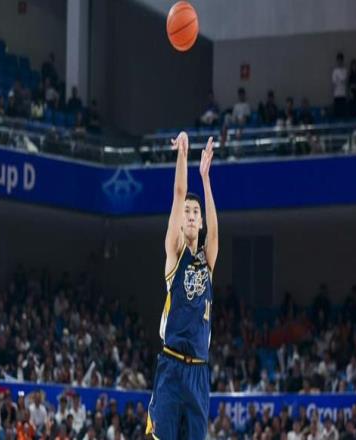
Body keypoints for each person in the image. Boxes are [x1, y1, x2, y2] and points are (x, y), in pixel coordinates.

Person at [146, 132, 218, 440]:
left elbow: (215, 231)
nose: (190, 215)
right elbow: (178, 194)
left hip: (199, 370)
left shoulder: (208, 260)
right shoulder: (174, 255)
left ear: (200, 222)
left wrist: (205, 179)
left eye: (195, 212)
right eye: (187, 212)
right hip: (172, 365)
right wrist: (183, 155)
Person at [332, 52, 348, 119]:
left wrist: (340, 80)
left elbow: (345, 81)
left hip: (343, 95)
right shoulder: (335, 71)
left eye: (341, 60)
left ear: (342, 60)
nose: (340, 61)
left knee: (343, 114)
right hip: (337, 95)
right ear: (337, 61)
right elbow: (334, 83)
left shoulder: (345, 70)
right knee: (337, 114)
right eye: (338, 60)